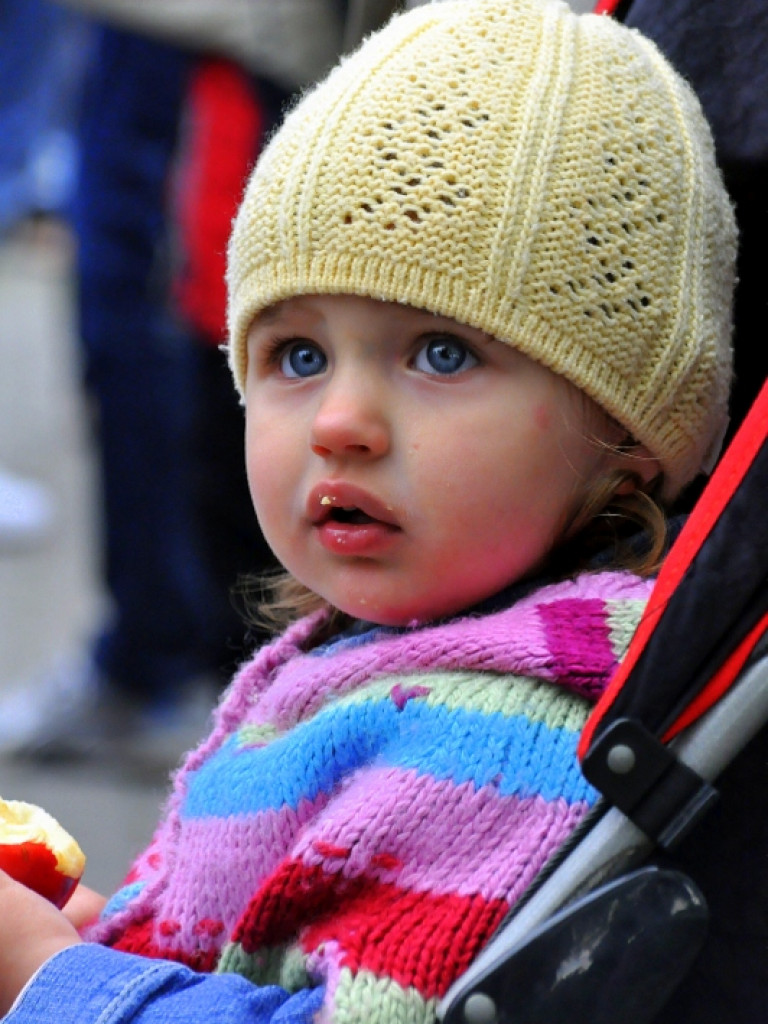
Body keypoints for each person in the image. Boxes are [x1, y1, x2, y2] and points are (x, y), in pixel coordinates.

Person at [0, 0, 736, 1020]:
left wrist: (55, 984)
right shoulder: (408, 657)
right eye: (298, 355)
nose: (341, 422)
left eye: (442, 352)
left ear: (626, 434)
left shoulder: (497, 739)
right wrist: (105, 938)